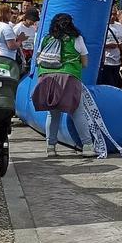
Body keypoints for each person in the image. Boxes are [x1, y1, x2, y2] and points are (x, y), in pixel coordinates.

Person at [32, 13, 95, 157]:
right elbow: (85, 63)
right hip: (68, 78)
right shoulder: (76, 39)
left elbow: (37, 60)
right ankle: (87, 146)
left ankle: (50, 147)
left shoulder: (46, 39)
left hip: (46, 79)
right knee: (76, 111)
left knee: (53, 114)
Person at [99, 13, 122, 88]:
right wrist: (108, 45)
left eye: (114, 14)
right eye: (111, 14)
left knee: (115, 84)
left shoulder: (119, 26)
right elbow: (98, 42)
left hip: (117, 61)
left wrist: (121, 44)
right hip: (105, 61)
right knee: (107, 84)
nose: (112, 16)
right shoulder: (102, 25)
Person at [14, 8, 39, 72]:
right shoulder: (18, 27)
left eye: (34, 20)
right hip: (21, 53)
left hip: (30, 53)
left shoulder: (33, 29)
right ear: (27, 17)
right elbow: (13, 41)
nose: (33, 22)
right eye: (32, 20)